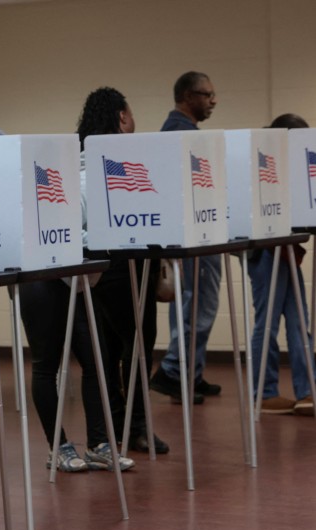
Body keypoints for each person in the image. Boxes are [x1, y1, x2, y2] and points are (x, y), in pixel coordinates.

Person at [77, 87, 169, 459]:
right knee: (138, 348)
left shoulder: (81, 155)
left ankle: (117, 425)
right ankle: (138, 427)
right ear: (122, 117)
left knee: (108, 350)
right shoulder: (129, 159)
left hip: (97, 266)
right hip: (129, 263)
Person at [150, 71, 223, 404]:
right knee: (199, 306)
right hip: (196, 235)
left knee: (191, 305)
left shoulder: (178, 132)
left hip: (190, 234)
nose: (213, 100)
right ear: (187, 96)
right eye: (207, 94)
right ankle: (175, 371)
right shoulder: (183, 135)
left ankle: (188, 372)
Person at [248, 113, 314, 415]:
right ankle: (264, 391)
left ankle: (307, 390)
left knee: (300, 322)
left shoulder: (281, 164)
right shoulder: (264, 164)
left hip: (284, 250)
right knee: (268, 322)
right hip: (266, 253)